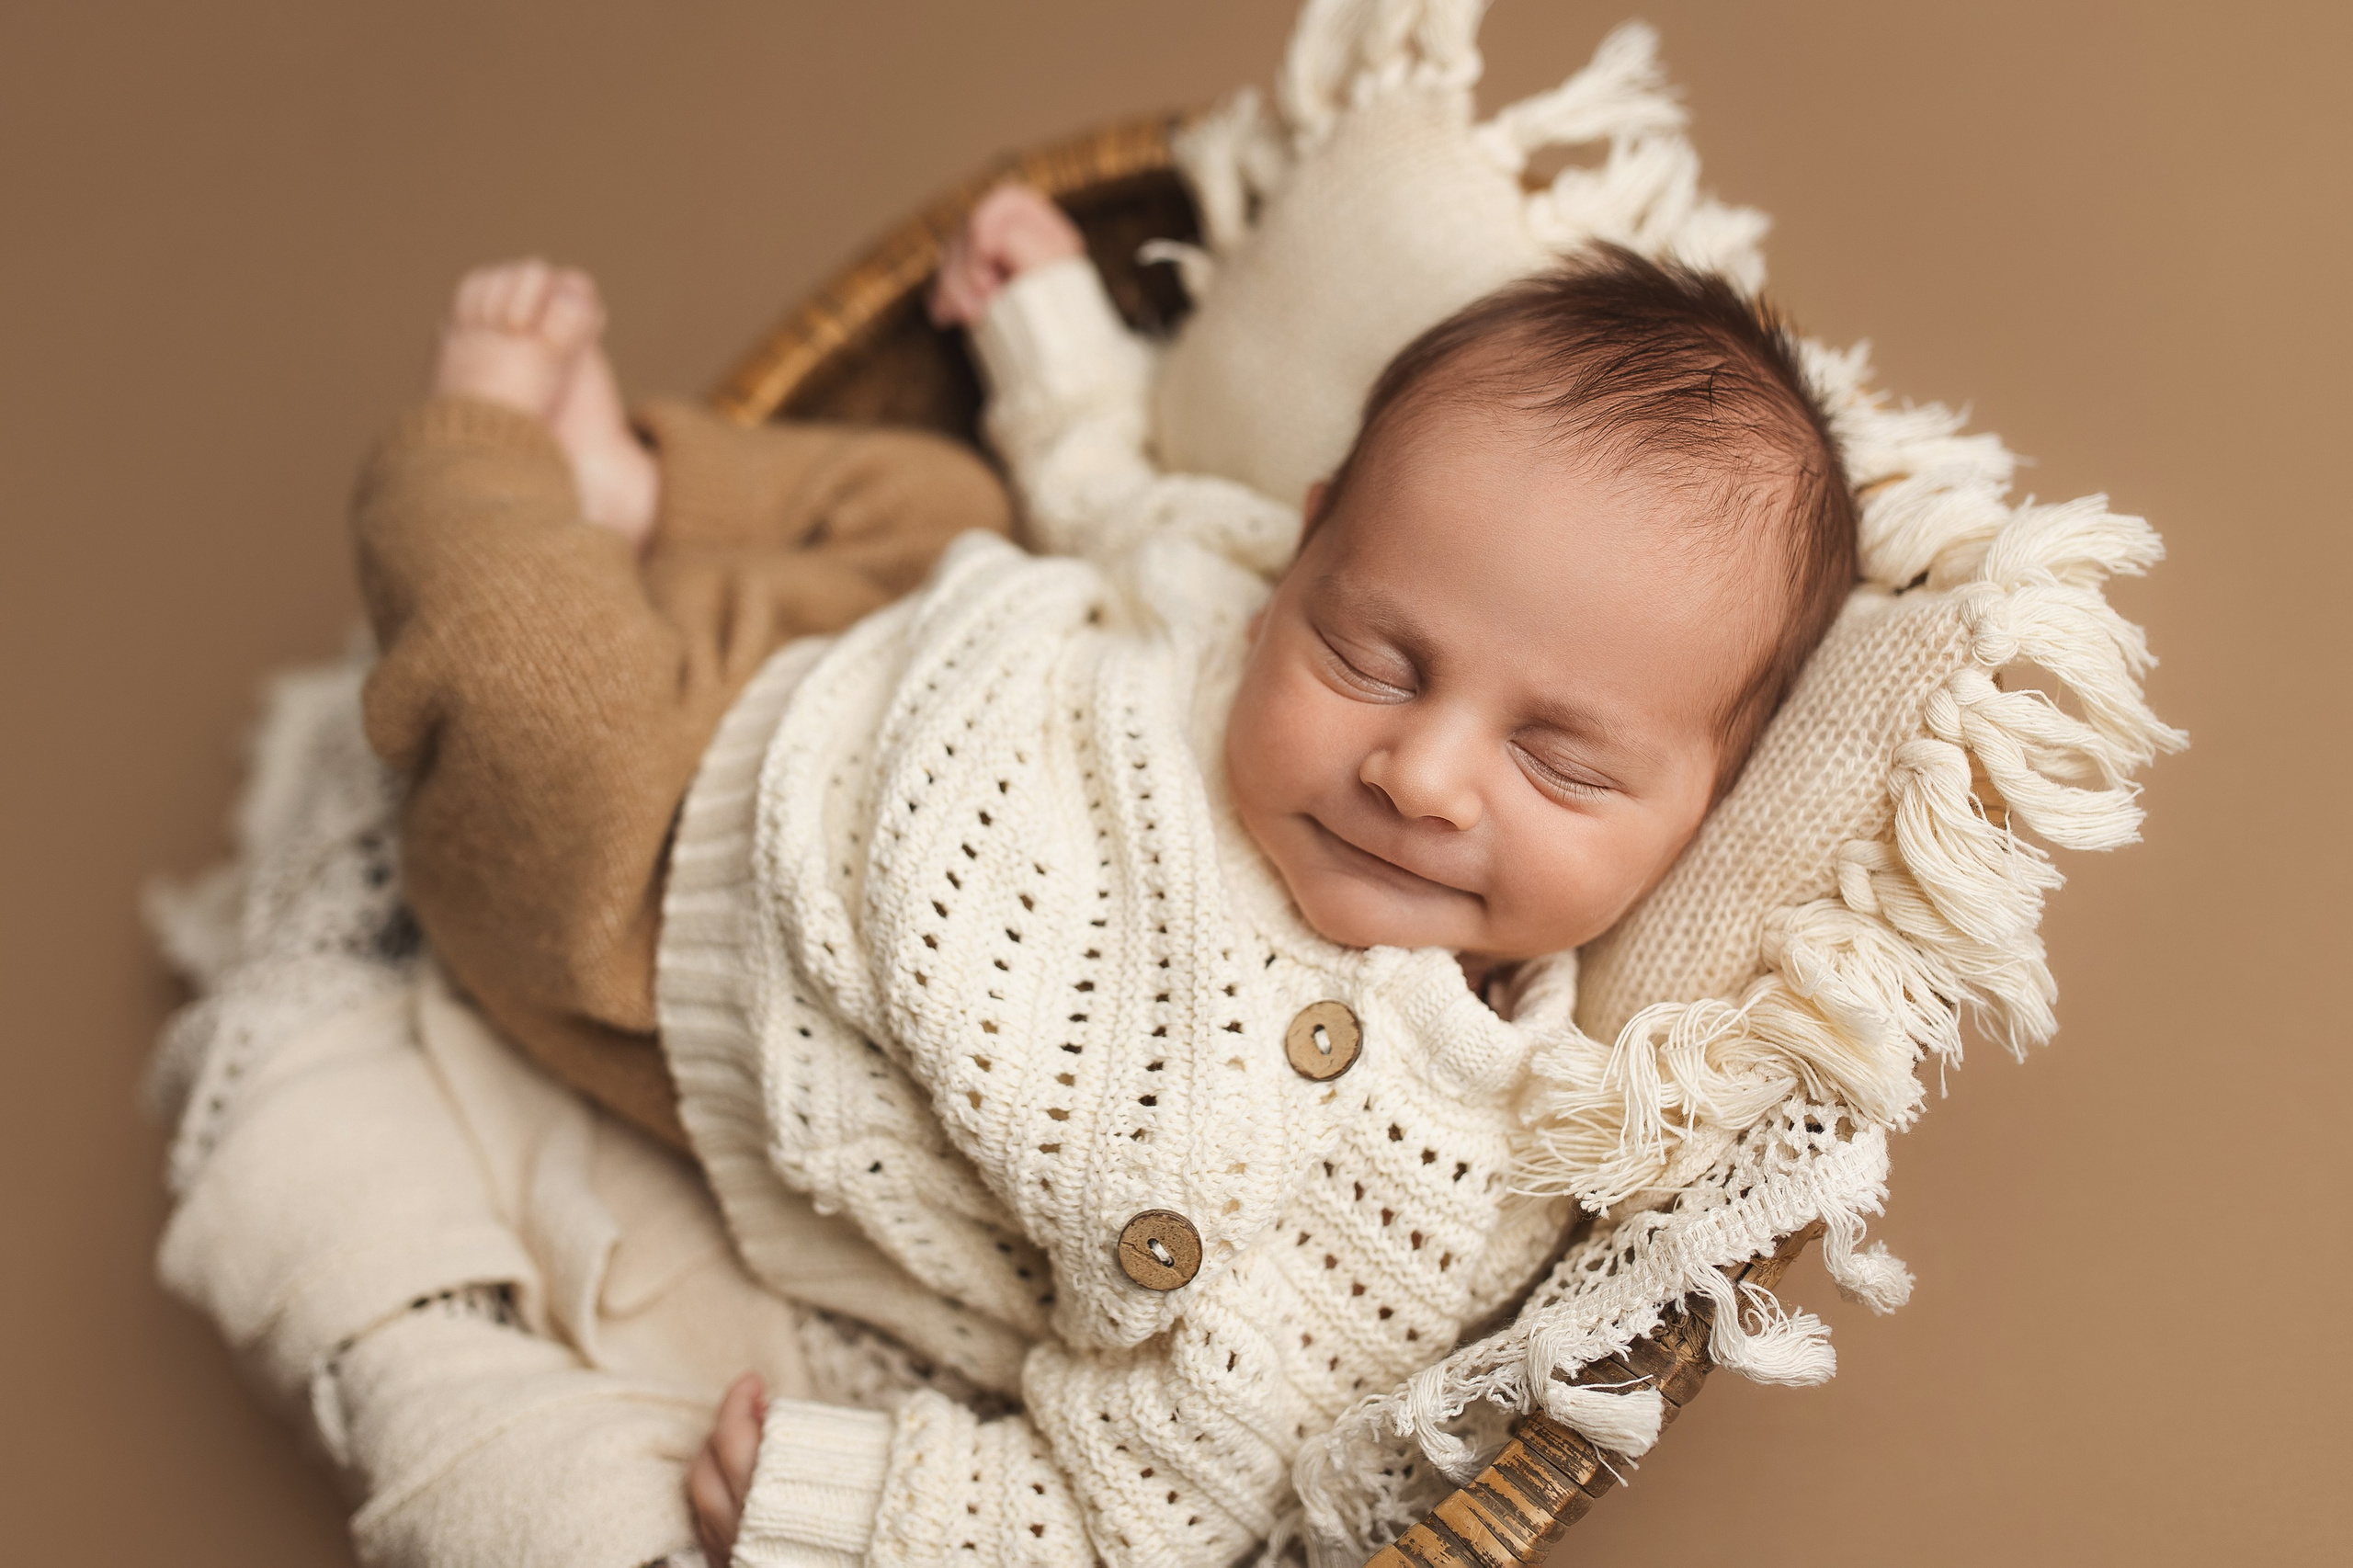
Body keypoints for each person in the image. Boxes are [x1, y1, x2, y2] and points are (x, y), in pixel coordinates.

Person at [357, 182, 1855, 1565]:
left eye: (1558, 762)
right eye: (1373, 656)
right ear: (1312, 544)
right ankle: (633, 490)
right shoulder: (1240, 581)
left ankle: (479, 462)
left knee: (525, 684)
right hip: (871, 656)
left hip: (678, 906)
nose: (1421, 773)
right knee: (936, 496)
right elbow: (1107, 496)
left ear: (1705, 805)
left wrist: (862, 1504)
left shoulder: (1446, 1171)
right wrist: (1049, 334)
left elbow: (1177, 1491)